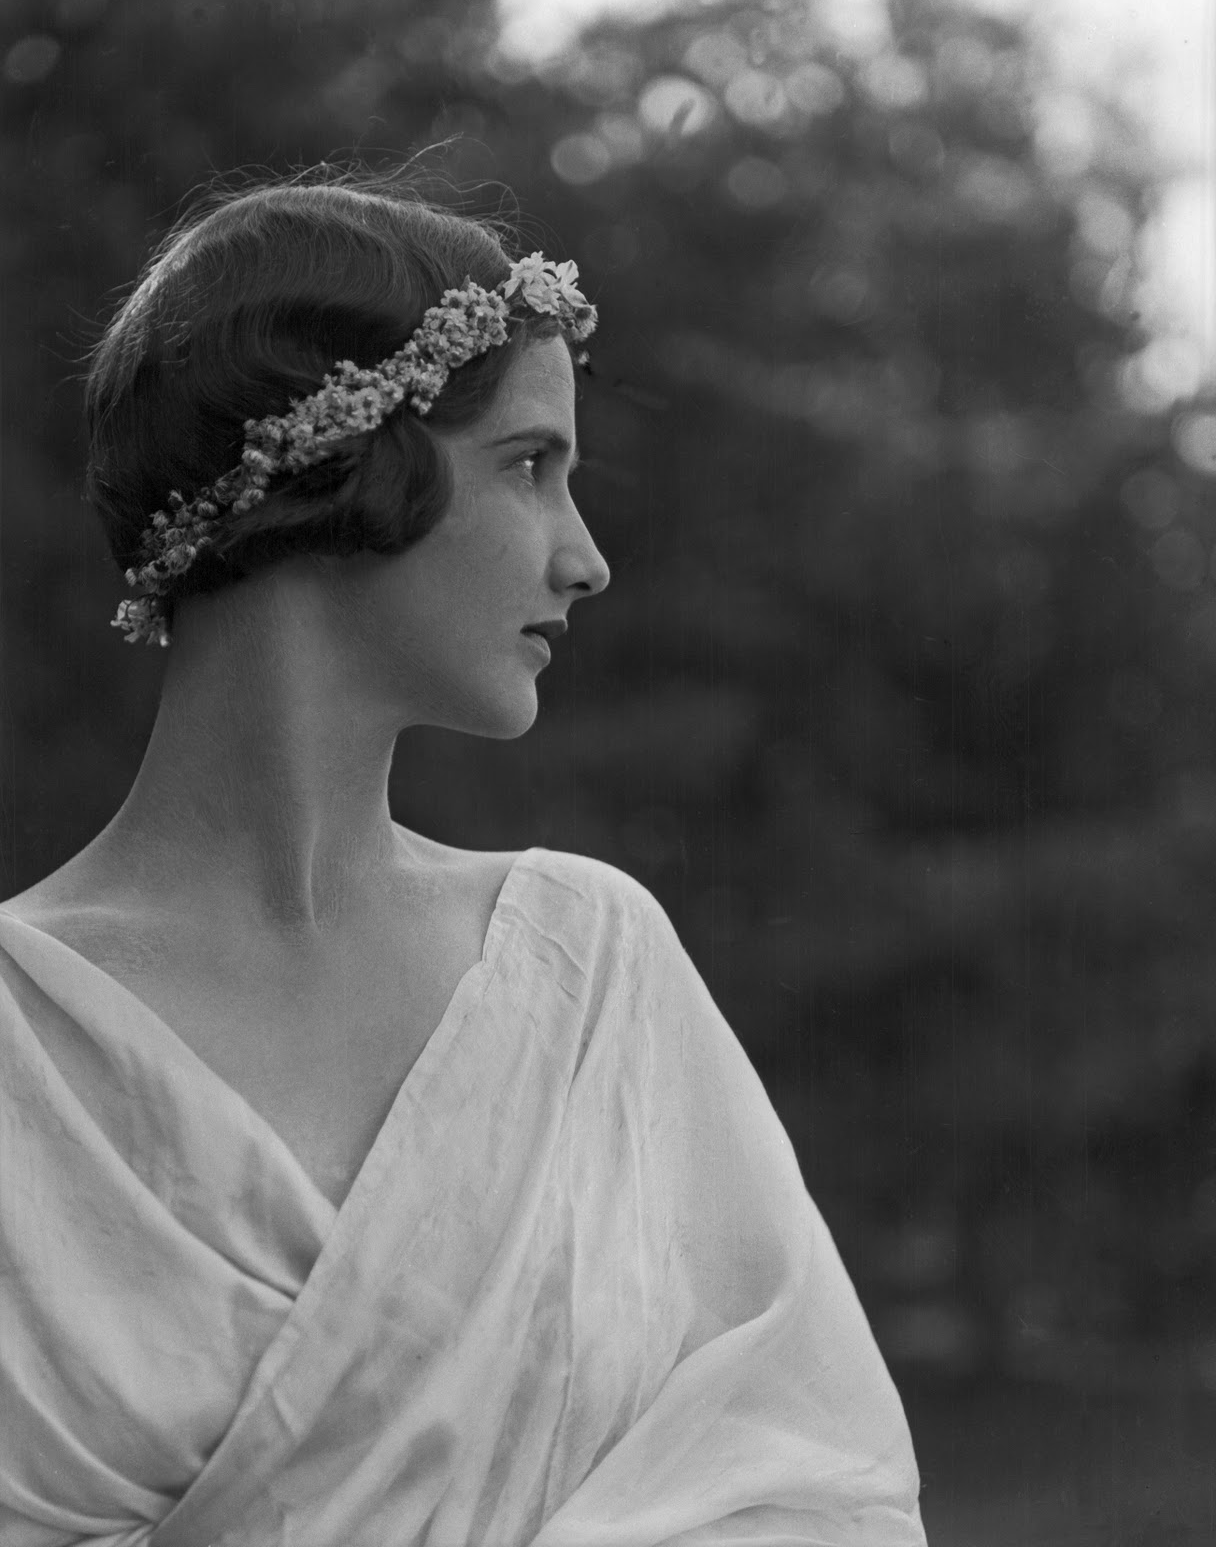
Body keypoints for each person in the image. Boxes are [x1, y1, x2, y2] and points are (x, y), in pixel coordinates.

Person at [0, 171, 927, 1546]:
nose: (586, 559)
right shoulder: (20, 1040)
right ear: (340, 465)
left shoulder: (585, 968)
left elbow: (811, 1477)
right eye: (529, 467)